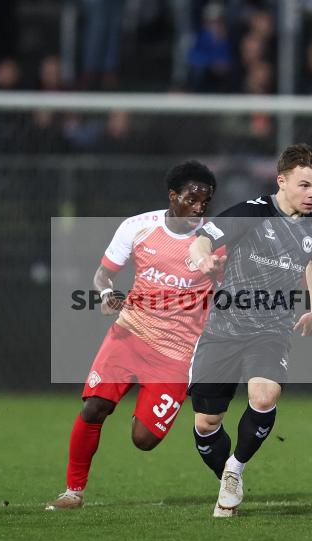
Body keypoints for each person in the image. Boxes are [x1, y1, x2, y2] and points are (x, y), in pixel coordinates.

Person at [46, 161, 223, 510]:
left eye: (206, 201)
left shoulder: (216, 240)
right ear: (173, 196)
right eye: (192, 199)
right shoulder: (137, 227)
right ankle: (72, 492)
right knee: (94, 407)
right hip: (130, 334)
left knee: (144, 440)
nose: (199, 207)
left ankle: (149, 410)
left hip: (177, 352)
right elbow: (102, 275)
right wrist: (106, 294)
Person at [187, 143, 312, 517]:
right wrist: (202, 258)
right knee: (206, 423)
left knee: (264, 397)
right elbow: (203, 239)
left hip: (271, 328)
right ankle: (226, 476)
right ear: (281, 181)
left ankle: (235, 469)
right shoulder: (250, 213)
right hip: (223, 328)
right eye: (304, 185)